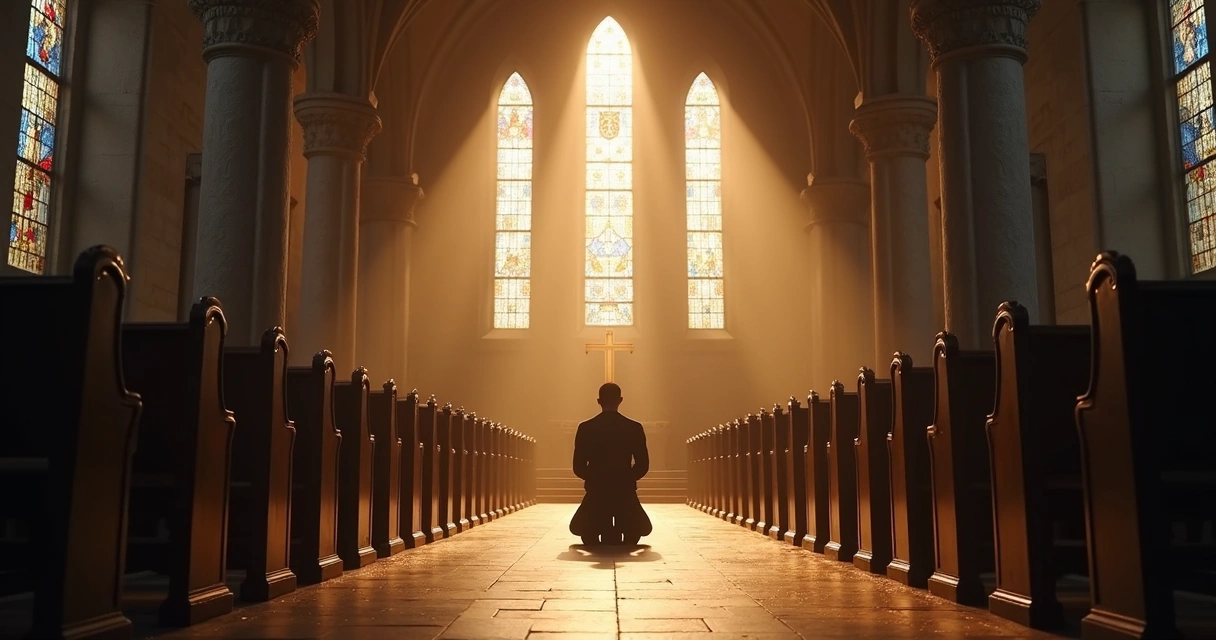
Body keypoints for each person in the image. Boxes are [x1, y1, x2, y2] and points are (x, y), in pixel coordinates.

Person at [568, 382, 652, 546]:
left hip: (597, 488)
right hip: (624, 488)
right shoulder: (633, 428)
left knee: (585, 530)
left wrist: (596, 479)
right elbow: (643, 464)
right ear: (620, 400)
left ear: (599, 401)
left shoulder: (586, 428)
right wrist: (626, 479)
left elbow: (578, 466)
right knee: (636, 530)